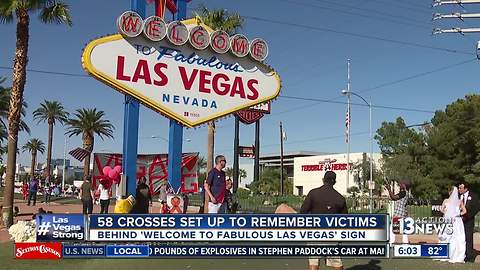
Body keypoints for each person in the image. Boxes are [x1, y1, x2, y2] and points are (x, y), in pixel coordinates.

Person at [300, 171, 347, 270]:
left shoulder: (313, 193)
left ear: (323, 180)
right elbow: (345, 220)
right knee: (336, 262)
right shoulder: (340, 198)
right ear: (334, 182)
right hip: (332, 234)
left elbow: (303, 212)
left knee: (314, 262)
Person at [438, 186, 466, 263]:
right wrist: (458, 214)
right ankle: (456, 255)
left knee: (449, 237)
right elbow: (464, 211)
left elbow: (441, 209)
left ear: (450, 192)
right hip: (456, 220)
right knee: (457, 238)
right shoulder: (459, 201)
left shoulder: (446, 201)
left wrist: (447, 214)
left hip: (450, 220)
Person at [458, 181, 480, 262]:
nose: (459, 189)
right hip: (458, 221)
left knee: (468, 238)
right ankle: (460, 254)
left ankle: (469, 256)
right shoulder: (457, 196)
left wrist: (468, 216)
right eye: (459, 188)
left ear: (466, 189)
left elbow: (476, 208)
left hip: (469, 221)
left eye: (461, 188)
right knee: (460, 238)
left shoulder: (473, 196)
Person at [385, 180, 411, 245]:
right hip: (403, 213)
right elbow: (394, 197)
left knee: (392, 228)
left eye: (402, 184)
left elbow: (393, 197)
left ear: (404, 186)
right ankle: (405, 243)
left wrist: (389, 189)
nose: (400, 185)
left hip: (398, 213)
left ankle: (391, 242)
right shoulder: (406, 193)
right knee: (403, 229)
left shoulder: (403, 193)